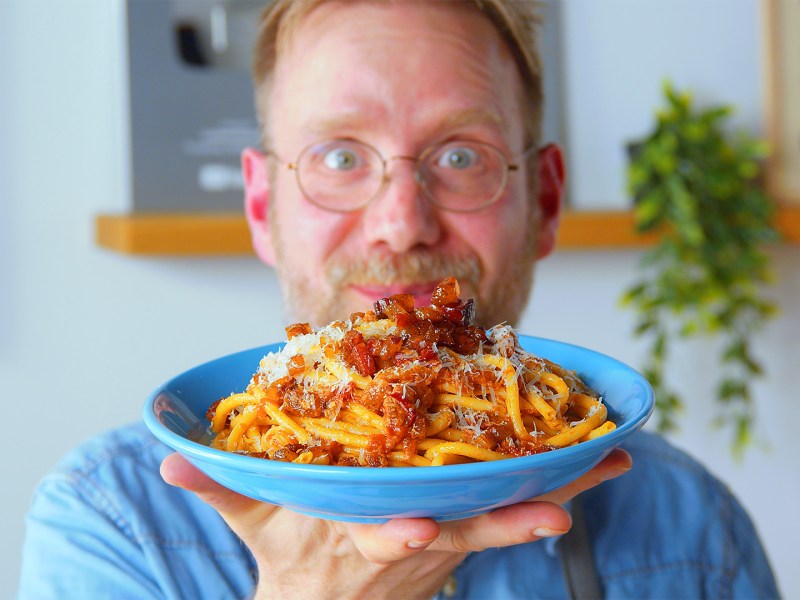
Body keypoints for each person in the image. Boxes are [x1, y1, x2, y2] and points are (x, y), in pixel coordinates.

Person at [19, 1, 779, 598]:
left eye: (460, 156)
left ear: (544, 203)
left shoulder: (692, 529)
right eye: (340, 156)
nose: (402, 224)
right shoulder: (112, 523)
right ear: (261, 207)